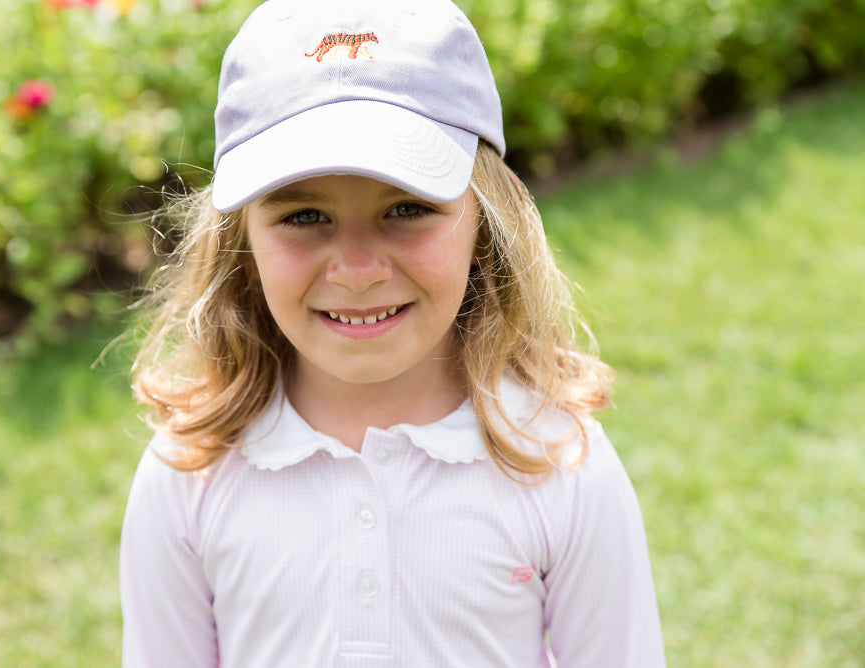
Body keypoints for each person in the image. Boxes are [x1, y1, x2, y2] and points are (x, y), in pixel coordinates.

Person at [119, 0, 665, 665]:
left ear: (486, 222)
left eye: (407, 208)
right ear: (240, 240)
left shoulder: (557, 462)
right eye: (304, 216)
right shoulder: (190, 473)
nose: (356, 269)